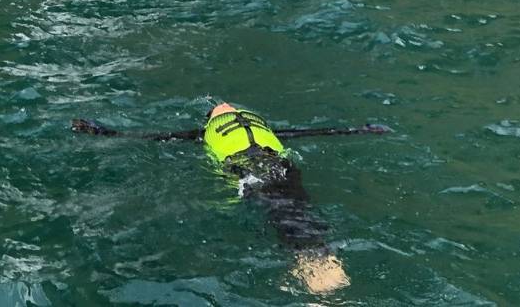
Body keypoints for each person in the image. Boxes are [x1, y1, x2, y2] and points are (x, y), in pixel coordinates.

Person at [73, 101, 389, 295]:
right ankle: (317, 262)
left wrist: (360, 130)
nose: (224, 104)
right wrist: (101, 133)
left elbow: (154, 139)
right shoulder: (242, 132)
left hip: (252, 170)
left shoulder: (202, 135)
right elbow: (321, 132)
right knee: (289, 208)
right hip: (273, 167)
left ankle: (313, 265)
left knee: (286, 210)